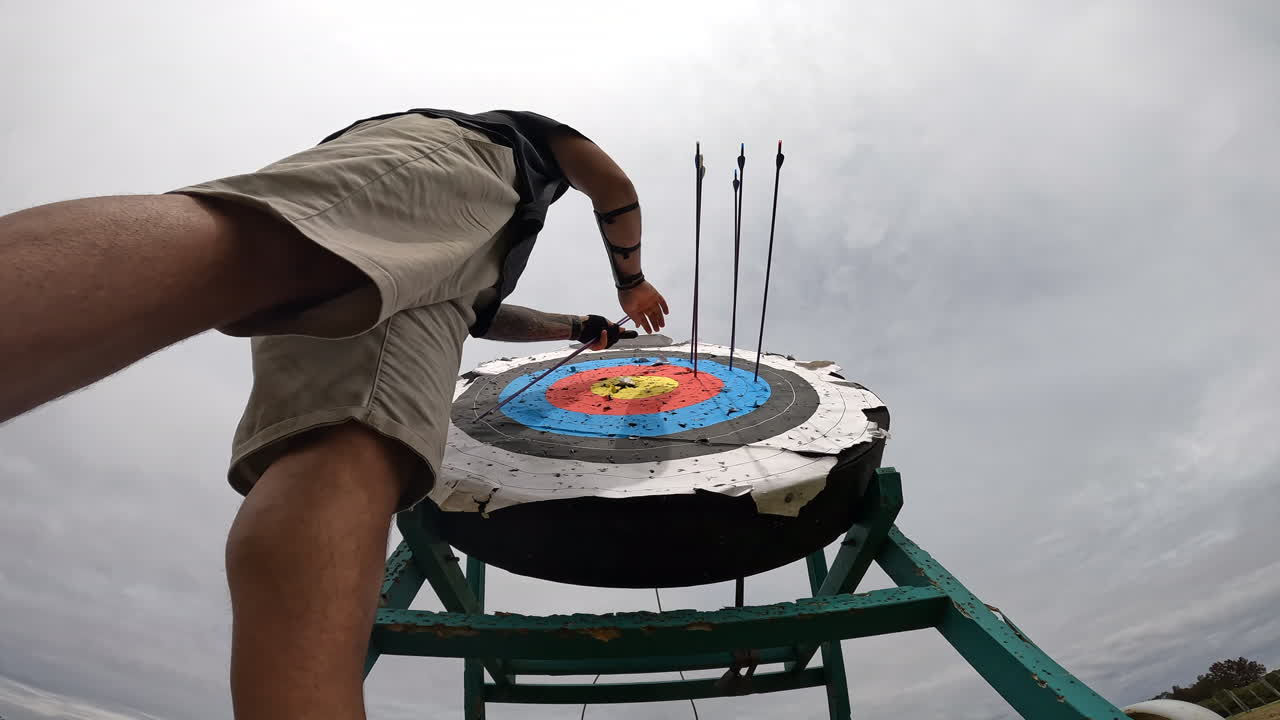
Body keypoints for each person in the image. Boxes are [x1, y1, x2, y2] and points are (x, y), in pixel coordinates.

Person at [0, 108, 669, 719]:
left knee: (358, 450)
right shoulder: (509, 145)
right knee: (259, 251)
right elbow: (609, 183)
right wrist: (631, 282)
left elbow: (481, 314)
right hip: (440, 170)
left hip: (442, 288)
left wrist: (576, 325)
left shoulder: (476, 246)